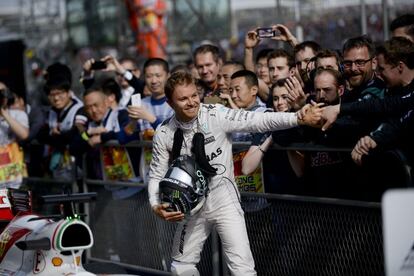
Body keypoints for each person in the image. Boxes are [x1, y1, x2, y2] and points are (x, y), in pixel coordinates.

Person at [147, 71, 322, 275]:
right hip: (191, 208)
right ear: (169, 103)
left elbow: (258, 120)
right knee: (180, 266)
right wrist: (155, 204)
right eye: (183, 98)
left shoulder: (216, 114)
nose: (191, 102)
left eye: (194, 95)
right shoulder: (164, 132)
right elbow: (157, 173)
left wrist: (298, 118)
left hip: (225, 201)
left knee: (242, 270)